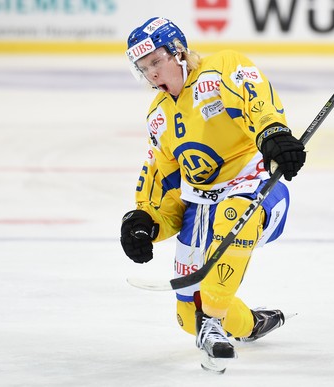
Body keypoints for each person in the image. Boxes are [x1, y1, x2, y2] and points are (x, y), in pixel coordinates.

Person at [120, 17, 306, 373]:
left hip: (253, 185)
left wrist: (273, 134)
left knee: (235, 214)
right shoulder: (158, 117)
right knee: (187, 318)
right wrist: (147, 221)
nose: (153, 74)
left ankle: (214, 322)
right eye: (144, 69)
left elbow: (255, 99)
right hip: (203, 203)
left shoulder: (219, 69)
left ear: (178, 51)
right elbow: (169, 187)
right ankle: (249, 323)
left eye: (156, 61)